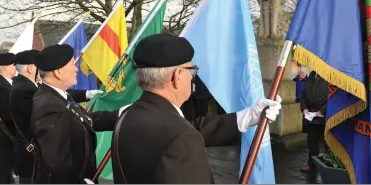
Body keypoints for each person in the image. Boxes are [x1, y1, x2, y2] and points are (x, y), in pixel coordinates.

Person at [111, 33, 282, 183]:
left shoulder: (127, 114)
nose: (192, 76)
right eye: (191, 69)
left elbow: (181, 131)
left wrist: (247, 116)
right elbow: (180, 136)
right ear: (177, 76)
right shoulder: (181, 136)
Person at [31, 44, 121, 184]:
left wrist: (120, 114)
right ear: (58, 72)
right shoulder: (49, 107)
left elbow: (85, 119)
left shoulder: (58, 96)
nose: (76, 68)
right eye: (72, 64)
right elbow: (57, 163)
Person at [10, 50, 40, 184]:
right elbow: (37, 120)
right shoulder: (25, 89)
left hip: (29, 152)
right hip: (29, 154)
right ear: (31, 68)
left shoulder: (26, 85)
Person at [0, 53, 17, 183]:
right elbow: (7, 115)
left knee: (7, 171)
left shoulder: (10, 83)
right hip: (4, 135)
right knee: (1, 171)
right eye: (13, 65)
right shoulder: (0, 86)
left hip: (9, 134)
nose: (15, 67)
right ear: (5, 67)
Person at [299, 71, 329, 172]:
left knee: (328, 143)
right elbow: (303, 96)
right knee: (312, 142)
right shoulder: (311, 76)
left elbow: (334, 98)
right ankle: (312, 164)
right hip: (311, 117)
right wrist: (304, 108)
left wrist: (322, 111)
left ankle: (329, 165)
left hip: (325, 117)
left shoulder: (330, 76)